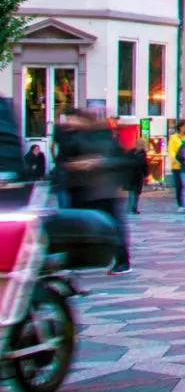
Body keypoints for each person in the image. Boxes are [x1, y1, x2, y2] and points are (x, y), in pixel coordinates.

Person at [54, 109, 131, 274]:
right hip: (80, 188)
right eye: (67, 120)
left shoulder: (101, 135)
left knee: (113, 225)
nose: (70, 123)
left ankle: (122, 261)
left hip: (103, 189)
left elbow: (118, 159)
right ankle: (79, 258)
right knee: (77, 224)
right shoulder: (70, 137)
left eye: (73, 120)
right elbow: (63, 158)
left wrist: (97, 163)